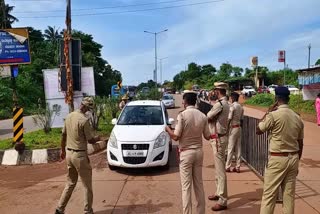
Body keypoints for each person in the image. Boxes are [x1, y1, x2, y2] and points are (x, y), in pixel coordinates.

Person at [257, 86, 304, 214]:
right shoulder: (297, 117)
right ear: (288, 99)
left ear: (277, 98)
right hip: (293, 157)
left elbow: (258, 130)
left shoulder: (273, 115)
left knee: (269, 195)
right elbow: (301, 143)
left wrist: (267, 112)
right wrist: (296, 161)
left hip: (278, 158)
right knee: (289, 196)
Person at [165, 90, 211, 214]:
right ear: (195, 101)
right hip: (198, 152)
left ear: (185, 102)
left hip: (186, 153)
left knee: (186, 187)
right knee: (199, 185)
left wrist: (168, 129)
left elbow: (176, 137)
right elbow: (207, 136)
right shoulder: (202, 115)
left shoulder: (182, 115)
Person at [55, 97, 101, 214]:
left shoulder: (69, 116)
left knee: (70, 183)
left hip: (69, 154)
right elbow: (90, 140)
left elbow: (63, 136)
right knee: (87, 186)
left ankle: (60, 209)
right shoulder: (83, 120)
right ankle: (88, 211)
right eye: (89, 109)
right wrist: (97, 138)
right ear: (86, 107)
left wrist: (63, 151)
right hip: (79, 156)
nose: (88, 111)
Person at [207, 82, 230, 211]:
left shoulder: (220, 105)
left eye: (215, 90)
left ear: (218, 91)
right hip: (222, 137)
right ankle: (218, 192)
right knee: (218, 168)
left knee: (220, 171)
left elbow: (208, 116)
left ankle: (222, 200)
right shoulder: (225, 104)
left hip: (218, 139)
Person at [225, 92, 244, 173]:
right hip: (239, 127)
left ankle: (228, 166)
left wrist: (226, 128)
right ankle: (238, 166)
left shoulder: (232, 107)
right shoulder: (241, 107)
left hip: (233, 127)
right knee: (238, 148)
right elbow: (242, 119)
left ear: (232, 98)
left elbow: (229, 118)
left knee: (230, 148)